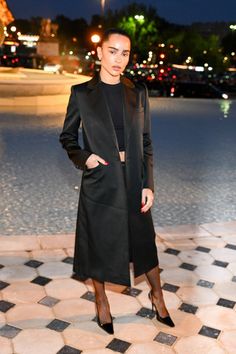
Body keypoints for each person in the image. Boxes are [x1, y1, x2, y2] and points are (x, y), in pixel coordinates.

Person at [59, 28, 174, 334]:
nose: (118, 59)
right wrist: (85, 158)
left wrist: (148, 184)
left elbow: (146, 142)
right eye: (112, 51)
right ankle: (101, 301)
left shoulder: (138, 92)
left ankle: (157, 296)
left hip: (134, 181)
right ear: (99, 52)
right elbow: (68, 137)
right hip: (101, 181)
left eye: (125, 53)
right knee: (99, 243)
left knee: (144, 242)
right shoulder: (82, 94)